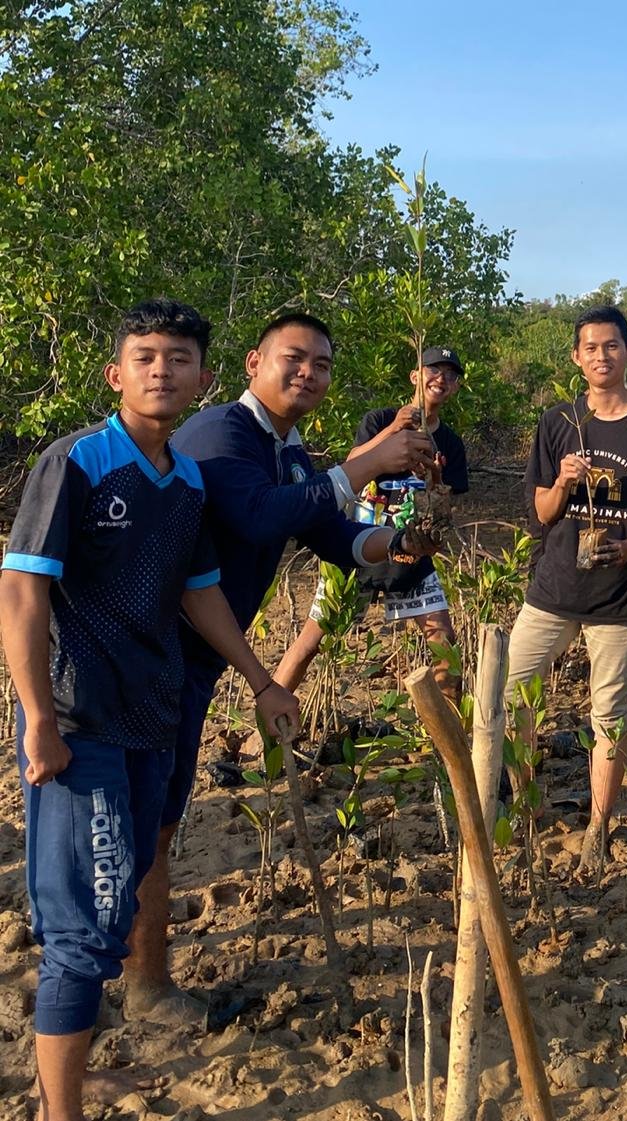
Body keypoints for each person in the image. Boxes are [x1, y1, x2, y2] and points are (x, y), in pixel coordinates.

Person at [0, 299, 300, 1121]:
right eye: (144, 356)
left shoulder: (187, 478)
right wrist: (37, 716)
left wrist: (263, 679)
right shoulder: (78, 464)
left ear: (204, 378)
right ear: (116, 373)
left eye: (177, 358)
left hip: (153, 720)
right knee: (85, 933)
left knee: (120, 889)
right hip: (82, 721)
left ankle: (72, 1056)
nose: (161, 370)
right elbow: (22, 586)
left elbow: (200, 594)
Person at [121, 312, 436, 1025]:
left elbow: (331, 533)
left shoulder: (290, 454)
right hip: (152, 656)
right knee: (148, 821)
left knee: (159, 816)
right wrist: (362, 463)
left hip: (194, 660)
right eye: (293, 358)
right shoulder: (219, 435)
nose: (308, 373)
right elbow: (262, 518)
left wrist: (399, 539)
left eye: (322, 364)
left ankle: (139, 973)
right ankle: (141, 984)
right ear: (251, 363)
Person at [508, 305, 627, 875]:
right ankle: (525, 806)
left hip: (619, 592)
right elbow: (540, 511)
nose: (602, 356)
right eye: (591, 348)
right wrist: (562, 480)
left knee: (608, 713)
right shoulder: (558, 419)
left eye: (612, 346)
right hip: (554, 587)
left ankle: (598, 828)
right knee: (513, 696)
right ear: (576, 358)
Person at [270, 346, 469, 707]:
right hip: (357, 547)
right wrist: (395, 430)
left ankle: (450, 743)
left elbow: (442, 507)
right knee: (311, 643)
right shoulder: (379, 419)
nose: (441, 378)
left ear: (456, 388)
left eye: (450, 375)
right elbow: (351, 466)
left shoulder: (451, 444)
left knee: (444, 643)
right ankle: (266, 723)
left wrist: (433, 475)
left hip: (411, 552)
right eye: (433, 370)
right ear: (415, 376)